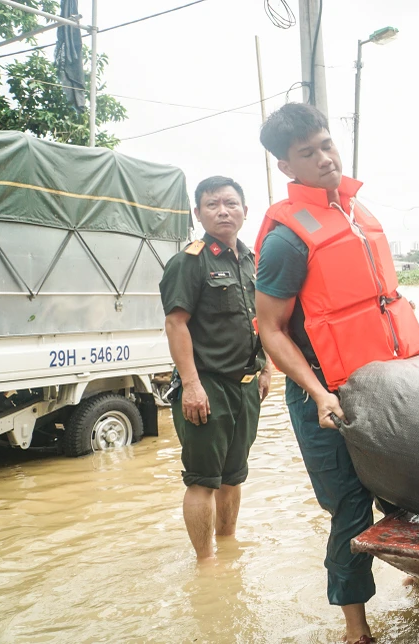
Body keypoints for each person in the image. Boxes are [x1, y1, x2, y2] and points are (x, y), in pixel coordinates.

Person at [253, 103, 419, 644]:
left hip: (386, 388)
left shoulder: (357, 216)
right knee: (351, 510)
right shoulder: (287, 239)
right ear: (287, 166)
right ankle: (356, 630)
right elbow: (271, 329)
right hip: (326, 401)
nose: (325, 158)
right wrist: (318, 393)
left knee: (410, 496)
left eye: (327, 144)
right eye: (308, 153)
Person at [159, 176, 272, 563]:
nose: (223, 211)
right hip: (206, 385)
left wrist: (266, 368)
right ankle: (205, 563)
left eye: (230, 203)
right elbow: (176, 325)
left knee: (233, 475)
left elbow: (260, 320)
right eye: (212, 204)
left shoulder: (252, 260)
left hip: (246, 386)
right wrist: (191, 385)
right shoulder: (189, 261)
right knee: (203, 479)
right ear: (198, 213)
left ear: (244, 210)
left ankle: (228, 546)